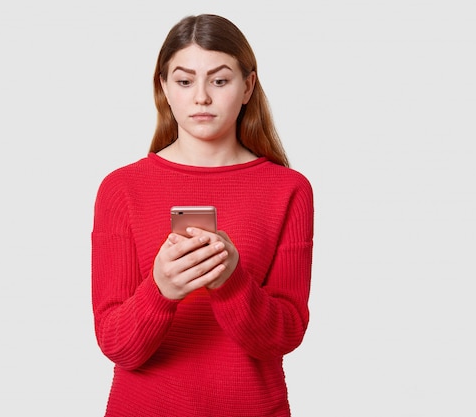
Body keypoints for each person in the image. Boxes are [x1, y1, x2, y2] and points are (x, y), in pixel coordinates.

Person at [91, 13, 314, 417]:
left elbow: (284, 336)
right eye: (184, 80)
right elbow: (117, 346)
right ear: (163, 87)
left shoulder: (288, 189)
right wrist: (159, 291)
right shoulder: (121, 188)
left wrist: (231, 282)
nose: (201, 98)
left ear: (247, 86)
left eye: (220, 80)